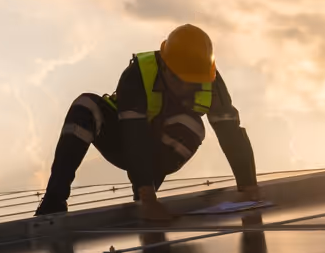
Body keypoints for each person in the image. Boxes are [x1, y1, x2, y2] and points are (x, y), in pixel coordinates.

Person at [35, 24, 260, 222]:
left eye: (193, 83)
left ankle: (144, 195)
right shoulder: (138, 75)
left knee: (191, 125)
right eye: (180, 80)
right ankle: (54, 201)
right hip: (122, 140)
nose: (186, 88)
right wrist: (148, 198)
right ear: (164, 67)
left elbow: (232, 135)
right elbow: (135, 136)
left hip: (162, 150)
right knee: (85, 106)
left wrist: (249, 188)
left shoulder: (211, 82)